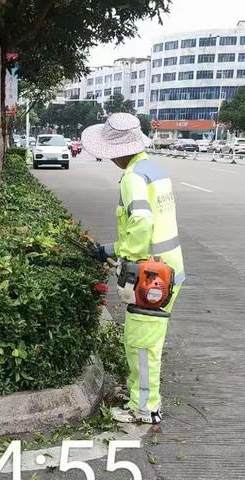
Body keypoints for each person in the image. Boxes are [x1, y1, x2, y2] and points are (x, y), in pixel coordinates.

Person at [81, 113, 185, 425]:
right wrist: (108, 250)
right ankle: (141, 397)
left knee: (142, 345)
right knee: (143, 339)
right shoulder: (151, 169)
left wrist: (126, 257)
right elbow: (149, 225)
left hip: (152, 275)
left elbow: (141, 224)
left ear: (120, 150)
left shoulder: (131, 178)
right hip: (168, 267)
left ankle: (145, 410)